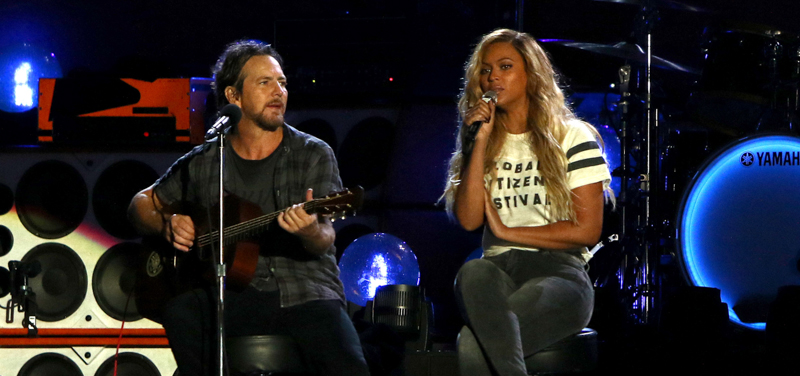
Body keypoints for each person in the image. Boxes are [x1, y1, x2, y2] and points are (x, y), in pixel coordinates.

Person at [127, 40, 370, 376]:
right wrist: (166, 222)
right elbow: (141, 203)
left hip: (303, 291)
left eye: (282, 82)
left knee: (348, 365)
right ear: (233, 96)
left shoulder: (313, 153)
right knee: (182, 310)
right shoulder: (208, 158)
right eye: (264, 82)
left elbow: (325, 238)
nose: (278, 91)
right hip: (232, 292)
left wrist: (311, 230)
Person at [441, 29, 613, 376]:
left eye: (505, 67)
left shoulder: (572, 135)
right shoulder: (483, 142)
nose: (493, 77)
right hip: (496, 272)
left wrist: (509, 231)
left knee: (473, 344)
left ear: (531, 74)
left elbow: (588, 230)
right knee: (473, 269)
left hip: (559, 272)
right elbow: (470, 220)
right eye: (486, 70)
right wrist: (478, 144)